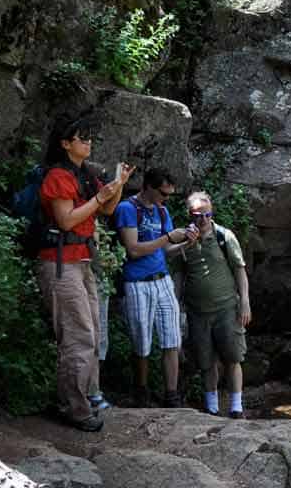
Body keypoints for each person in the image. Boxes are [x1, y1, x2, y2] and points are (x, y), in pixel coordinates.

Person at [35, 118, 132, 431]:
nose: (88, 142)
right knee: (79, 336)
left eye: (91, 138)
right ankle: (73, 408)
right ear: (65, 143)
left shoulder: (85, 173)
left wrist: (117, 188)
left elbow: (105, 211)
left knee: (93, 333)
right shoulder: (58, 175)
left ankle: (88, 396)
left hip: (82, 260)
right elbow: (66, 221)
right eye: (82, 138)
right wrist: (100, 198)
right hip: (60, 262)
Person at [113, 168, 195, 407]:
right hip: (137, 283)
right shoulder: (127, 209)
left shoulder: (162, 211)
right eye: (163, 193)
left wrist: (185, 245)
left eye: (170, 194)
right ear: (148, 186)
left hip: (162, 280)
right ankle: (141, 392)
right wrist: (169, 238)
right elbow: (134, 249)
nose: (166, 198)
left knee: (172, 338)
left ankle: (172, 395)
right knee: (141, 341)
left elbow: (165, 251)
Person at [171, 191, 251, 419]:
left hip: (227, 308)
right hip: (197, 312)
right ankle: (212, 408)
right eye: (198, 215)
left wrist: (244, 302)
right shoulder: (182, 241)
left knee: (233, 358)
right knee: (206, 362)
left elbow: (239, 269)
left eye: (207, 214)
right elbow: (178, 276)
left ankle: (236, 408)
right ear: (190, 214)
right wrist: (176, 310)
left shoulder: (224, 236)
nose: (203, 219)